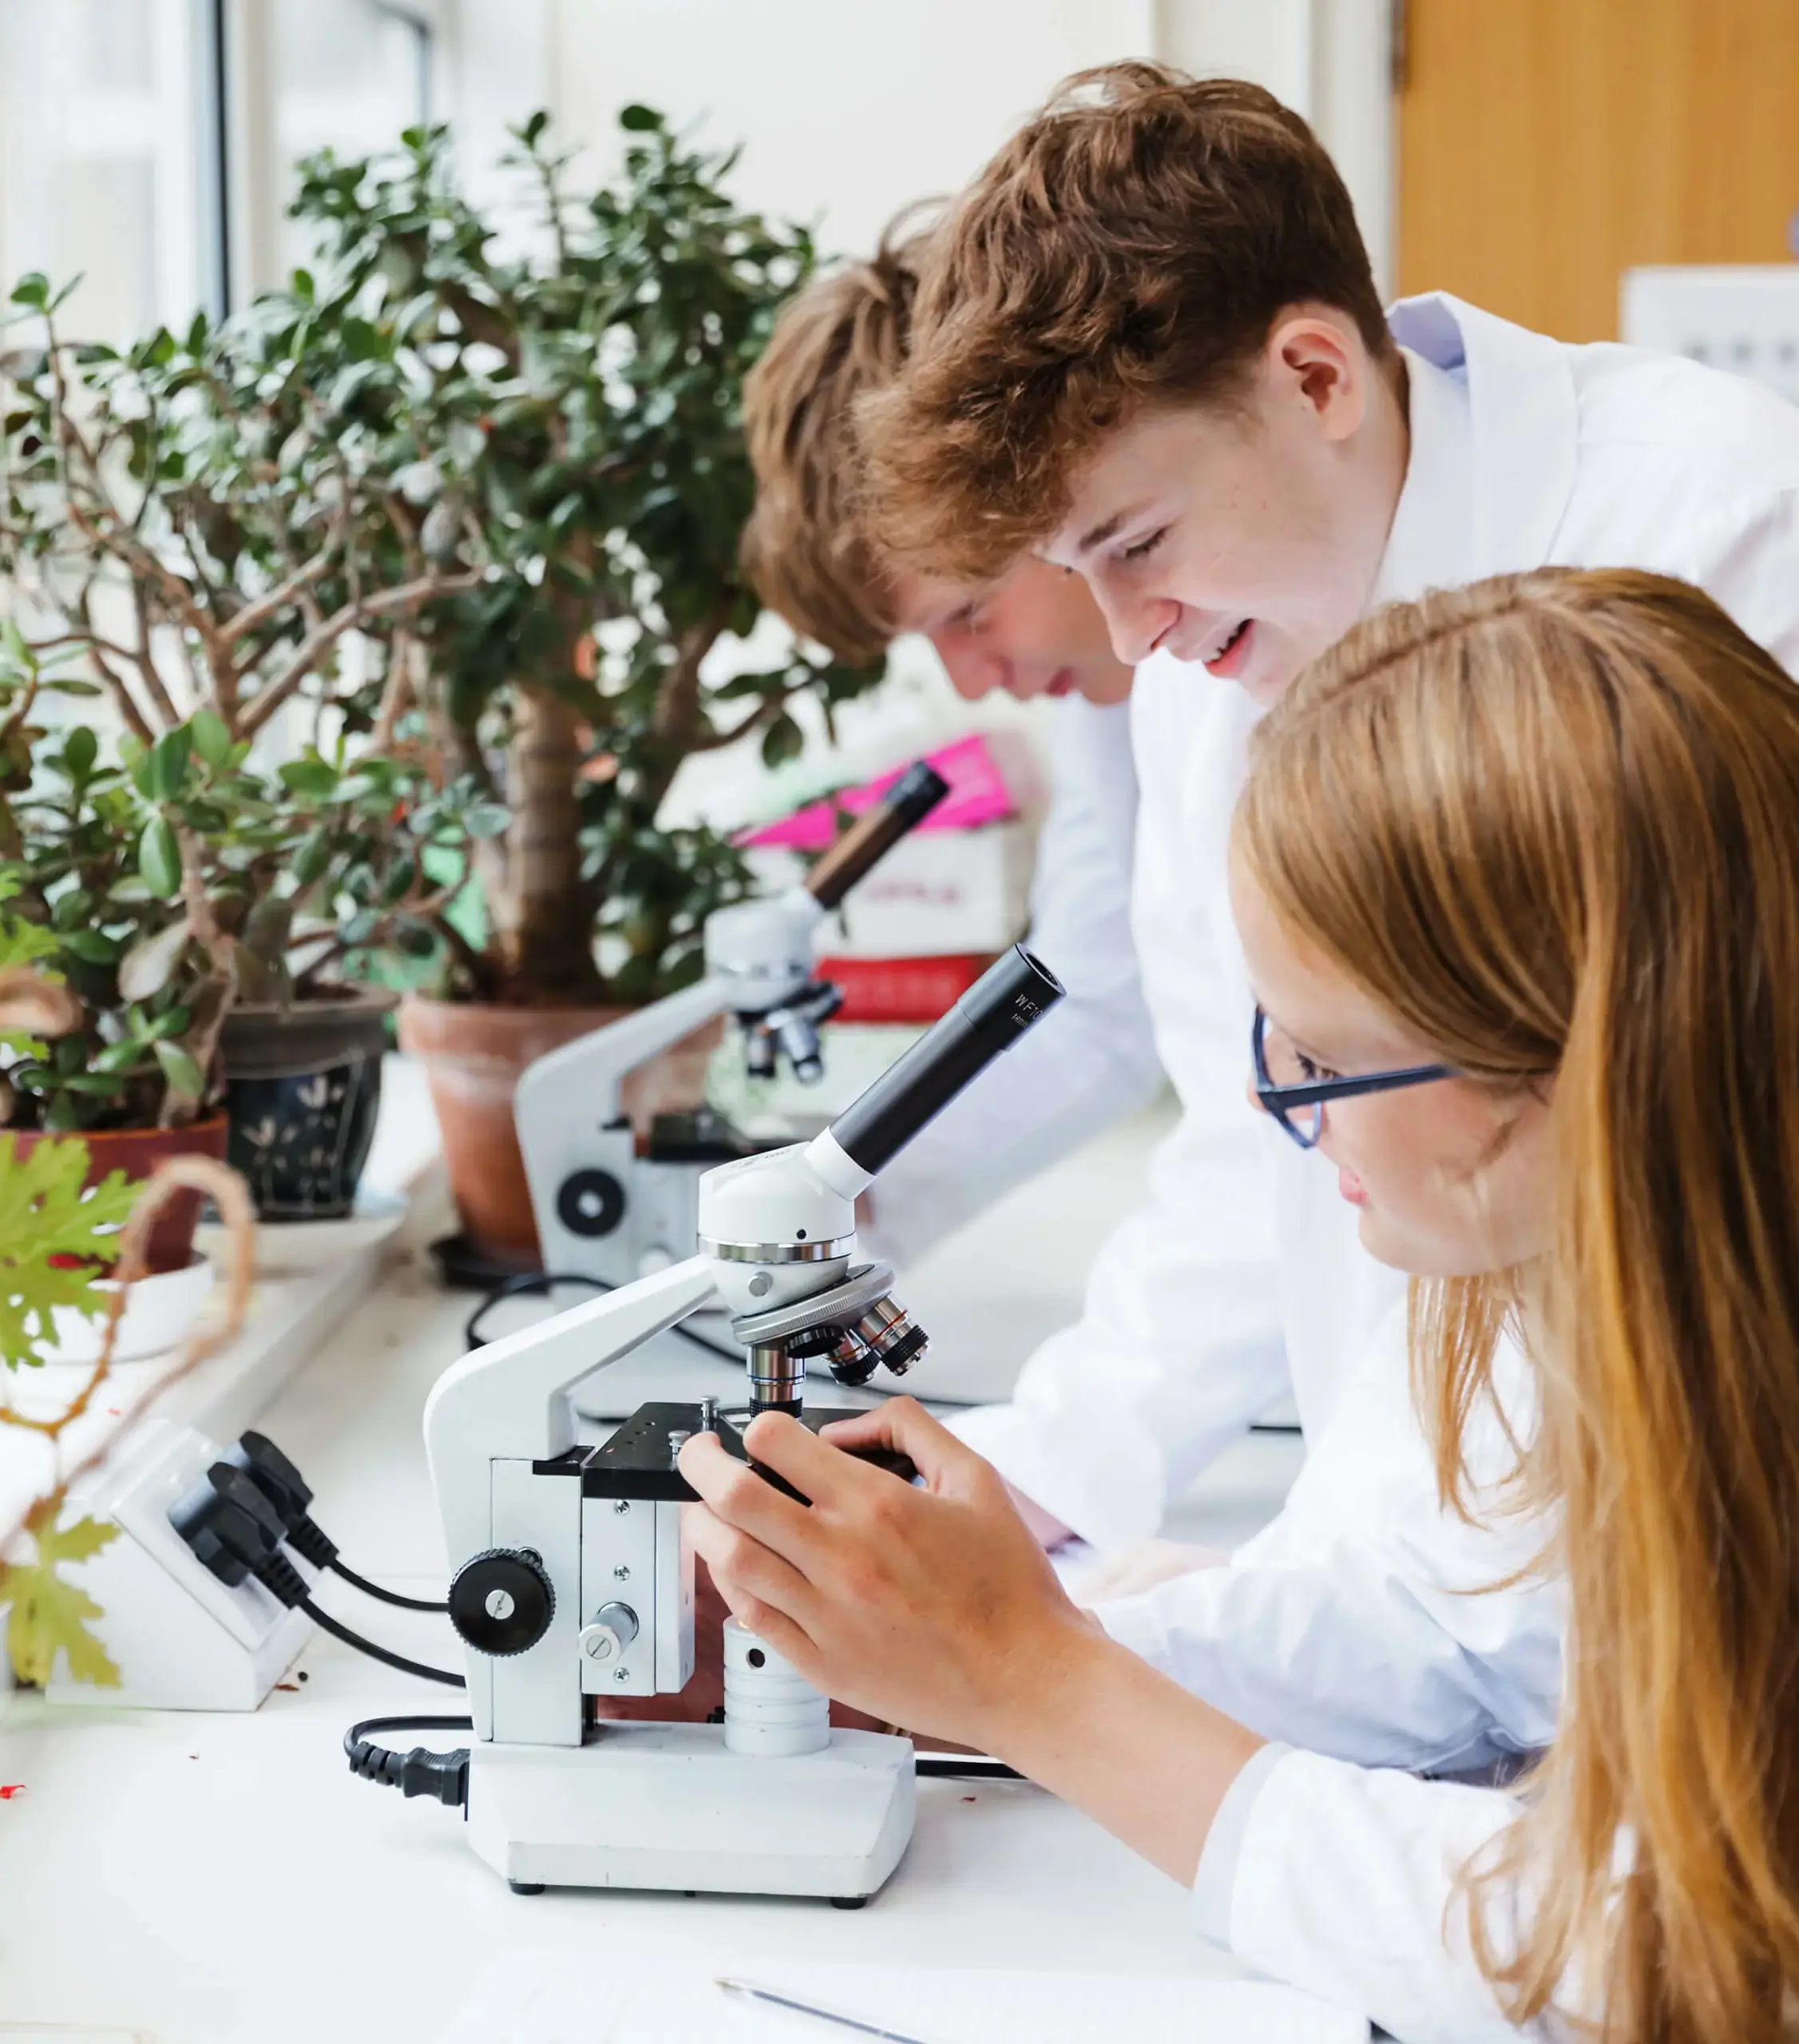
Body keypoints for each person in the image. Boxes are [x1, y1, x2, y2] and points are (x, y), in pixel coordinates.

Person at [818, 61, 1799, 1756]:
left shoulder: (1720, 538)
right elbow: (1257, 1147)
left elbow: (1683, 1185)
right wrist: (1029, 1520)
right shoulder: (1229, 639)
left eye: (1131, 537)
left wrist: (1130, 1659)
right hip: (1456, 1615)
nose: (1123, 638)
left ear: (1314, 373)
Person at [680, 569, 1799, 2041]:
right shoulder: (1597, 1283)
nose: (1292, 1118)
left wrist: (1039, 1686)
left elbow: (1669, 1958)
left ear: (1571, 1059)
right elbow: (1466, 1623)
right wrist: (931, 1634)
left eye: (1329, 1065)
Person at [739, 221, 1160, 1277]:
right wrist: (842, 1195)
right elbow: (1092, 1004)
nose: (974, 683)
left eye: (968, 612)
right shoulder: (1109, 707)